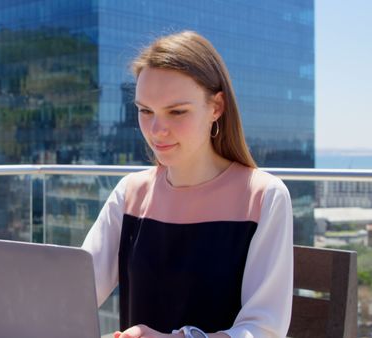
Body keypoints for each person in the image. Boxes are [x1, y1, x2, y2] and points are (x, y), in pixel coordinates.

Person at [81, 31, 293, 338]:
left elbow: (264, 329)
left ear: (216, 107)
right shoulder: (131, 193)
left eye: (177, 111)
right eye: (145, 111)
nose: (156, 130)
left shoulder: (263, 197)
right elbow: (76, 291)